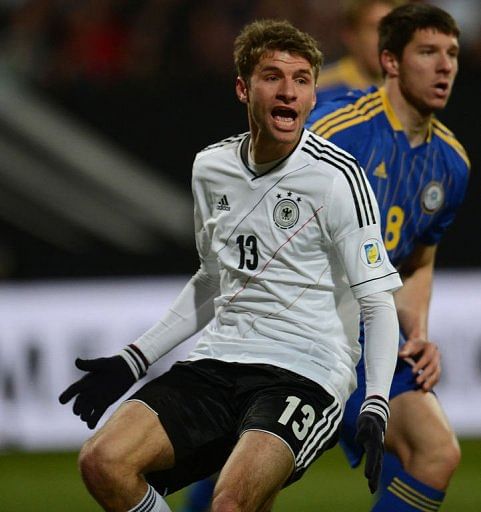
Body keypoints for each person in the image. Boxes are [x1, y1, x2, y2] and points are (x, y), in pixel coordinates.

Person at [59, 19, 403, 512]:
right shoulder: (210, 168)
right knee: (102, 462)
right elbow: (213, 280)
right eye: (272, 77)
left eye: (302, 79)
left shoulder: (337, 178)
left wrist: (376, 401)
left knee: (230, 504)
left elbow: (377, 301)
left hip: (306, 373)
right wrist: (134, 359)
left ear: (311, 95)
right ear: (243, 88)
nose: (288, 92)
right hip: (218, 362)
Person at [307, 3, 469, 511]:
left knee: (436, 452)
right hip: (301, 321)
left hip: (369, 329)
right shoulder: (337, 130)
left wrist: (416, 332)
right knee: (243, 482)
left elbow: (419, 259)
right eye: (428, 52)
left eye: (452, 54)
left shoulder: (452, 163)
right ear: (391, 61)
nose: (445, 66)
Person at [315, 0, 404, 104]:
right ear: (350, 36)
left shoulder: (412, 90)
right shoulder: (319, 89)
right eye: (374, 28)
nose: (385, 39)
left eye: (393, 29)